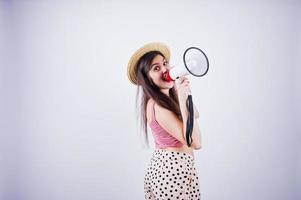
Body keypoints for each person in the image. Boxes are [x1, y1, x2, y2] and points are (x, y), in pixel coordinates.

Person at [127, 42, 202, 200]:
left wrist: (182, 92)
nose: (165, 70)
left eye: (165, 63)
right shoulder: (158, 107)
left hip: (170, 171)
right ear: (146, 79)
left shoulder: (163, 100)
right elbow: (196, 142)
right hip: (173, 175)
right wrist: (182, 99)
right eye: (156, 68)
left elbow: (195, 114)